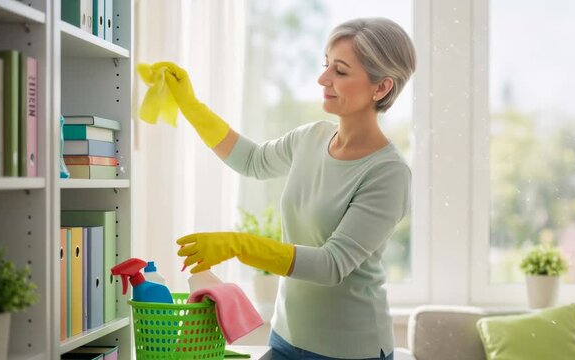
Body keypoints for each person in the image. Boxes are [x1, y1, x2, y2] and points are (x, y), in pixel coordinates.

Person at [139, 17, 415, 360]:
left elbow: (331, 264)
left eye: (340, 72)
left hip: (349, 350)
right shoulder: (311, 137)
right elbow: (251, 160)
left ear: (381, 88)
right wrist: (190, 105)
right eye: (326, 64)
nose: (322, 79)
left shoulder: (388, 173)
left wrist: (239, 244)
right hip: (286, 337)